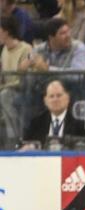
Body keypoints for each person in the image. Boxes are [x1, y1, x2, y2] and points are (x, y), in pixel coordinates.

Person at [21, 78, 85, 148]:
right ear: (45, 101)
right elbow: (23, 147)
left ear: (68, 98)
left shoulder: (80, 126)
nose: (55, 99)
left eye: (59, 95)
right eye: (51, 96)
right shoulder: (35, 124)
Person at [1, 15, 31, 147]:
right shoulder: (4, 50)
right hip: (6, 89)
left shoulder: (26, 49)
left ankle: (15, 140)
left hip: (22, 92)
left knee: (5, 95)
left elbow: (24, 80)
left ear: (6, 31)